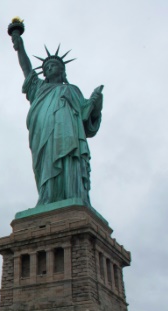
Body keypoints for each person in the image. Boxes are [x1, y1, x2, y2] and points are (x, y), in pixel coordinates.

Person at [11, 31, 104, 207]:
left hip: (68, 133)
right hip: (43, 132)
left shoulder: (72, 90)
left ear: (62, 70)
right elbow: (26, 69)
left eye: (53, 65)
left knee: (69, 160)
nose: (49, 68)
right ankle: (47, 198)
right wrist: (19, 46)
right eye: (46, 67)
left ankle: (72, 195)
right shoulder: (38, 88)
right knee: (46, 165)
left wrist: (96, 104)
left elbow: (87, 118)